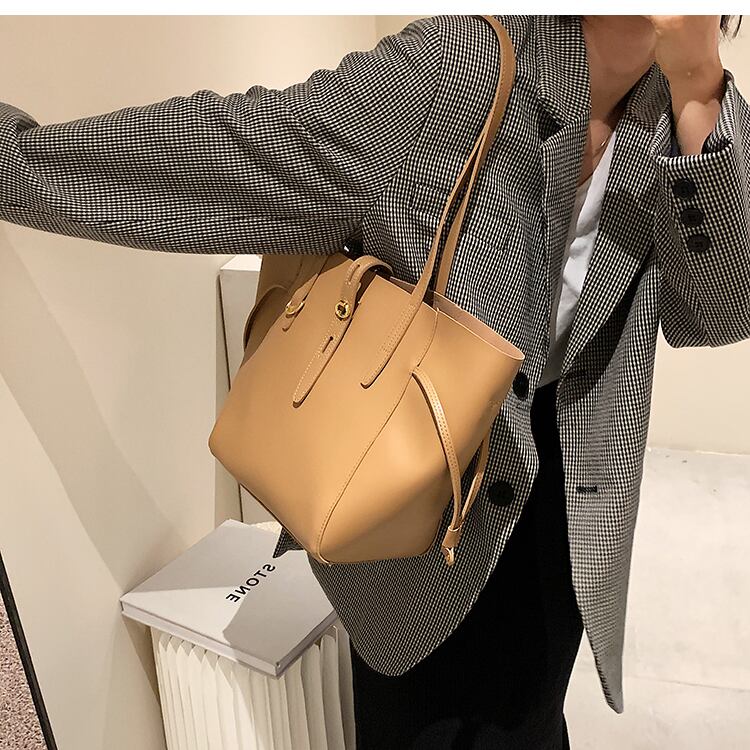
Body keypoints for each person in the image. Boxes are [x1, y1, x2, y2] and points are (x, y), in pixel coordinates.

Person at [0, 14, 747, 749]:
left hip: (569, 499)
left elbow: (714, 313)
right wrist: (17, 164)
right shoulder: (456, 69)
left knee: (532, 714)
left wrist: (696, 89)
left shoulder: (694, 107)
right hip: (411, 498)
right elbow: (238, 151)